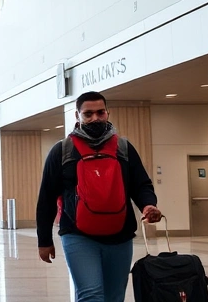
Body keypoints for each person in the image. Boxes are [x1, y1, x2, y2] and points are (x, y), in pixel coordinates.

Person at [36, 91, 162, 302]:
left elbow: (141, 184)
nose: (95, 118)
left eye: (100, 112)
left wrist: (148, 205)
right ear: (77, 116)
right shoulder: (62, 151)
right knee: (91, 295)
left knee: (115, 296)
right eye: (88, 114)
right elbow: (47, 197)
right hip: (78, 235)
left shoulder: (123, 147)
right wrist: (44, 240)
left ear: (107, 113)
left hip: (120, 234)